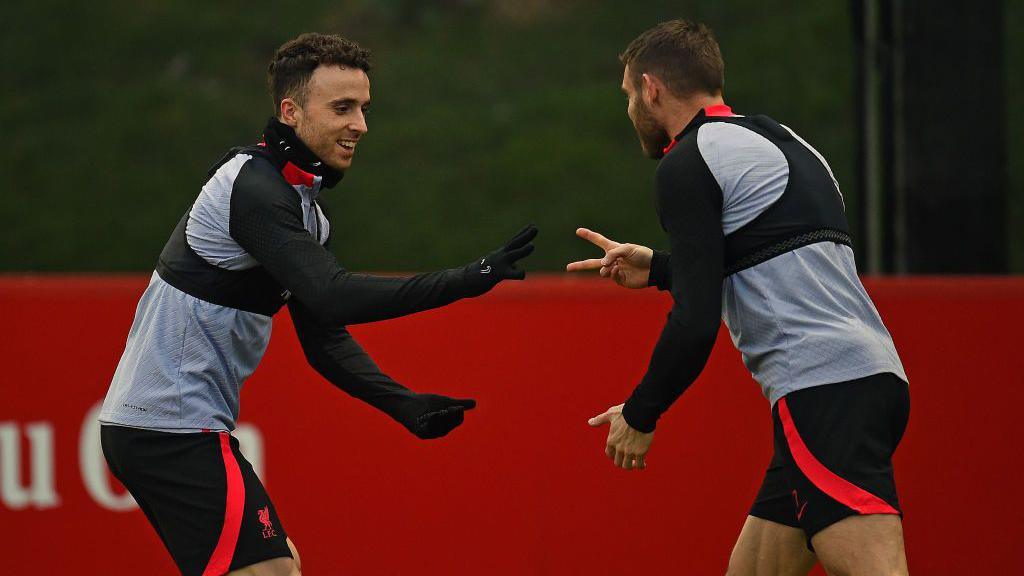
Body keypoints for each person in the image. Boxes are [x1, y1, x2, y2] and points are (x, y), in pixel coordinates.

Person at [99, 33, 536, 576]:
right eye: (342, 107)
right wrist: (468, 279)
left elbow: (325, 335)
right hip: (169, 428)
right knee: (274, 572)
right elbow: (334, 292)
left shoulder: (304, 210)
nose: (360, 125)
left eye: (364, 109)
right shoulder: (251, 186)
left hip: (172, 428)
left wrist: (403, 403)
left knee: (283, 567)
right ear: (290, 111)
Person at [568, 19, 910, 576]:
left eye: (630, 95)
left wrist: (641, 412)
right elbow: (769, 260)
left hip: (822, 390)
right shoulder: (783, 140)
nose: (630, 109)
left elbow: (695, 322)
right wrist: (658, 269)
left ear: (652, 88)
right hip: (870, 378)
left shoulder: (689, 161)